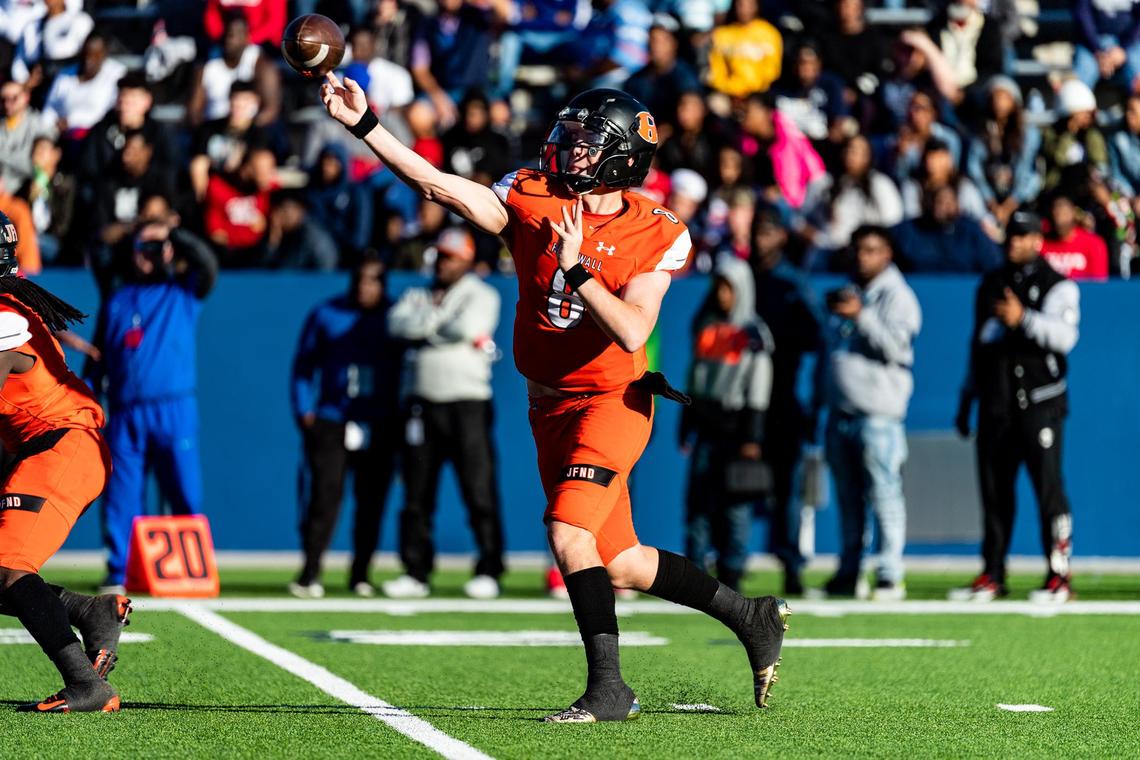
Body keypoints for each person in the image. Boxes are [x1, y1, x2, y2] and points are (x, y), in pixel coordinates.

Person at [319, 74, 790, 721]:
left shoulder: (657, 231)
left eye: (587, 143)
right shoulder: (532, 194)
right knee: (620, 560)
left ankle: (610, 690)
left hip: (613, 402)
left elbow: (631, 328)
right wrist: (365, 125)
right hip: (549, 408)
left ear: (622, 157)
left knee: (570, 534)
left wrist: (576, 270)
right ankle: (751, 615)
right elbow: (437, 186)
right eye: (569, 137)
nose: (570, 150)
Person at [0, 212, 128, 712]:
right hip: (53, 447)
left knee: (9, 567)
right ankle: (90, 610)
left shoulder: (4, 315)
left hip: (63, 446)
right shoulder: (11, 304)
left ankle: (87, 684)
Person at [85, 218, 218, 593]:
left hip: (173, 408)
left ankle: (189, 569)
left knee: (185, 491)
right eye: (142, 249)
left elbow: (207, 262)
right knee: (122, 494)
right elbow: (99, 356)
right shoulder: (117, 298)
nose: (149, 256)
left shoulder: (183, 291)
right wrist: (89, 395)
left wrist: (172, 234)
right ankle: (118, 571)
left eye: (156, 249)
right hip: (126, 411)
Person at [953, 211, 1080, 603]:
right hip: (996, 404)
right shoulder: (991, 283)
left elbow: (1064, 337)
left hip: (1040, 403)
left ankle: (1059, 575)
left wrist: (1022, 318)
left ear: (1038, 240)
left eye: (1024, 236)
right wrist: (967, 399)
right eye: (1011, 235)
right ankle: (993, 571)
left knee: (1049, 490)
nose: (1015, 242)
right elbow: (978, 345)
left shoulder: (1058, 286)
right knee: (994, 494)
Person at [385, 227, 506, 600]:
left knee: (478, 488)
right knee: (417, 492)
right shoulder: (417, 292)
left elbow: (467, 327)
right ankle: (416, 570)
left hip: (466, 402)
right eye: (440, 255)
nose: (443, 263)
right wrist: (436, 326)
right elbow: (396, 324)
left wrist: (426, 329)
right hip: (422, 403)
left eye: (451, 256)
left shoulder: (481, 294)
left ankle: (489, 567)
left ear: (467, 260)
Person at [289, 252, 402, 598]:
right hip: (333, 418)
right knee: (324, 498)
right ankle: (310, 572)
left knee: (372, 501)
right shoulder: (327, 313)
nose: (366, 287)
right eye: (361, 279)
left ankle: (361, 573)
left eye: (374, 280)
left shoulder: (395, 316)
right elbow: (304, 366)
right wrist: (304, 410)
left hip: (379, 419)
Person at [820, 225, 921, 601]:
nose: (864, 257)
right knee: (848, 499)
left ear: (887, 254)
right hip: (841, 414)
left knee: (884, 495)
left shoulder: (899, 296)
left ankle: (890, 574)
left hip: (878, 416)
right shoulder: (849, 291)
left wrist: (862, 315)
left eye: (873, 250)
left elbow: (897, 349)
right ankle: (850, 571)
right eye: (860, 250)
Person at [680, 255, 773, 592]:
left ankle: (732, 569)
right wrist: (686, 422)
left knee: (735, 504)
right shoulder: (706, 325)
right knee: (698, 501)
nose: (722, 294)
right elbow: (695, 376)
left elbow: (759, 384)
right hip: (706, 423)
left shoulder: (753, 332)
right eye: (718, 286)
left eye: (729, 288)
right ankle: (694, 569)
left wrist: (752, 434)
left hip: (736, 427)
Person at [751, 208, 824, 595]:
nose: (760, 240)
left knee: (788, 488)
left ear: (780, 237)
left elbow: (817, 337)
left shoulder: (794, 284)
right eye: (756, 231)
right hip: (744, 399)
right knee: (734, 484)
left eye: (767, 231)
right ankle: (728, 564)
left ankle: (792, 567)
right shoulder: (740, 280)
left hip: (783, 399)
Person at [1040, 193, 1110, 281]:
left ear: (1073, 213)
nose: (1059, 220)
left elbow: (1099, 283)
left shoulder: (1093, 243)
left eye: (1064, 213)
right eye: (1056, 214)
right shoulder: (1041, 242)